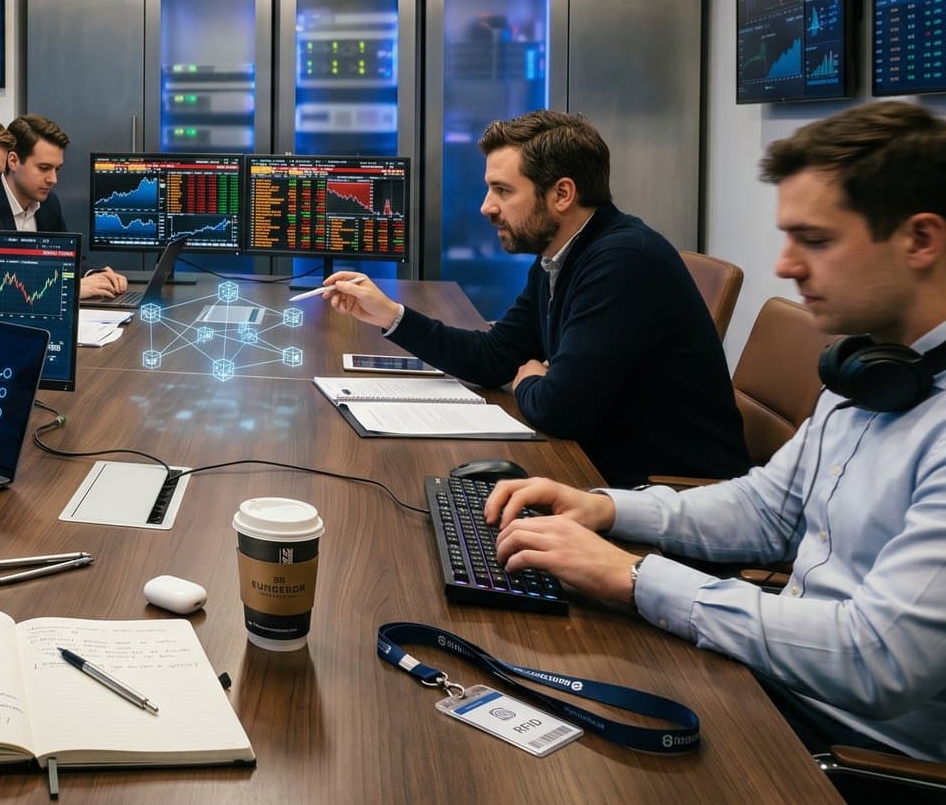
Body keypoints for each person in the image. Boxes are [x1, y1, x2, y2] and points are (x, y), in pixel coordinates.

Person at [484, 101, 946, 771]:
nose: (784, 265)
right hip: (776, 674)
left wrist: (633, 576)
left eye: (814, 240)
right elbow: (765, 510)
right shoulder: (875, 373)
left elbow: (875, 656)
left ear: (920, 240)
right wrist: (605, 507)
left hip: (840, 748)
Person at [323, 110, 746, 486]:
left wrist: (529, 379)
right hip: (603, 468)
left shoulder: (623, 262)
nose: (486, 207)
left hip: (660, 495)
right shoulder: (561, 255)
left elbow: (559, 410)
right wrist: (391, 316)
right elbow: (493, 357)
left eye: (503, 191)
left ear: (562, 194)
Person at [0, 114, 128, 302]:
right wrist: (68, 288)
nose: (53, 179)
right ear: (13, 161)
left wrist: (96, 275)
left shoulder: (48, 203)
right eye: (44, 168)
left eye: (57, 169)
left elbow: (67, 257)